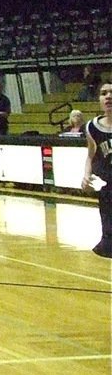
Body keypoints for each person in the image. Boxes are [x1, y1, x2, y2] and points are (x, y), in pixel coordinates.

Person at [82, 82, 112, 258]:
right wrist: (86, 175)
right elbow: (90, 156)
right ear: (99, 99)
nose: (108, 96)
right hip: (107, 187)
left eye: (111, 92)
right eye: (104, 93)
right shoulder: (92, 127)